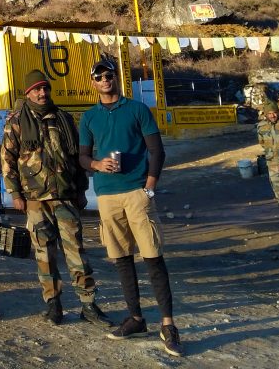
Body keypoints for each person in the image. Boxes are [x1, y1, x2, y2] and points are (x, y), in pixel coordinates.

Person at [78, 58, 183, 357]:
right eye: (99, 77)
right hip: (107, 196)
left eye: (109, 75)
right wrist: (97, 164)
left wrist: (149, 186)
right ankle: (136, 318)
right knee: (122, 259)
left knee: (153, 256)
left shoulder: (138, 109)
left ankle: (168, 324)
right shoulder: (89, 117)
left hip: (137, 192)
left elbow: (156, 150)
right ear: (93, 82)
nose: (105, 80)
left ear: (117, 78)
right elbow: (83, 157)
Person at [2, 69, 111, 326]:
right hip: (35, 199)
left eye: (45, 88)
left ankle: (88, 303)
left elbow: (77, 156)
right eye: (37, 89)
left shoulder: (63, 118)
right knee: (44, 254)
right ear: (28, 92)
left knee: (76, 251)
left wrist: (82, 189)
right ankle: (53, 304)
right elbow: (7, 159)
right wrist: (15, 194)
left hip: (65, 196)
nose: (42, 93)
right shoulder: (16, 121)